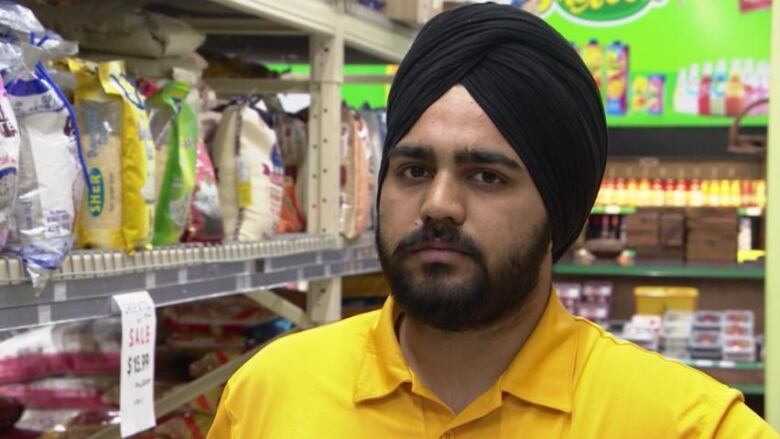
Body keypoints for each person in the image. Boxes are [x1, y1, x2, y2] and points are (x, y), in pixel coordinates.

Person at [208, 4, 777, 438]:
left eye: (486, 176)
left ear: (559, 208)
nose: (437, 205)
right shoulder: (268, 395)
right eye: (412, 169)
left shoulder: (689, 425)